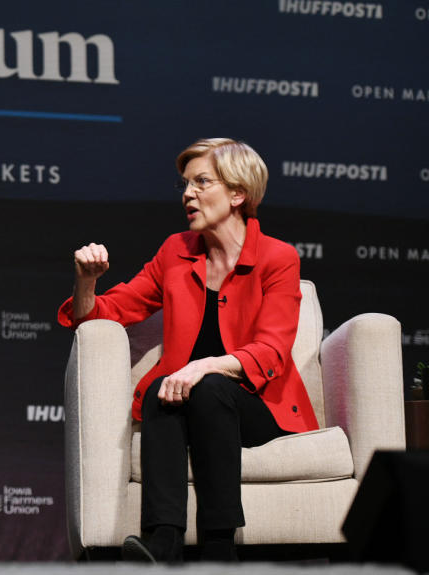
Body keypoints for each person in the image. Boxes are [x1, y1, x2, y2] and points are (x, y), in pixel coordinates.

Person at [57, 138, 318, 563]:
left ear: (238, 194)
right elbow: (104, 314)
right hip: (191, 401)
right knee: (165, 388)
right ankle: (162, 544)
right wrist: (86, 281)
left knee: (210, 387)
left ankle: (219, 548)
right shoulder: (175, 252)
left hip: (260, 408)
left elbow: (271, 352)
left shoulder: (277, 257)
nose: (187, 194)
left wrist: (204, 367)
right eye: (184, 184)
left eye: (201, 182)